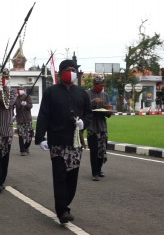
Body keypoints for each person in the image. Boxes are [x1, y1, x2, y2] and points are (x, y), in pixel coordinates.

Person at [35, 59, 92, 224]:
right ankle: (62, 211)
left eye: (73, 69)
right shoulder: (51, 92)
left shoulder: (82, 93)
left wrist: (84, 123)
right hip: (57, 142)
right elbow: (44, 115)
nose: (71, 72)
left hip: (75, 142)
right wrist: (40, 137)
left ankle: (65, 204)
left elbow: (89, 114)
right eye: (68, 69)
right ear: (60, 73)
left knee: (72, 177)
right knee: (59, 175)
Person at [86, 75, 112, 181]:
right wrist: (93, 102)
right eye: (100, 85)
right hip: (92, 126)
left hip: (102, 126)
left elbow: (107, 111)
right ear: (95, 84)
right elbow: (84, 107)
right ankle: (94, 172)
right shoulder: (88, 94)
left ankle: (99, 169)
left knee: (102, 149)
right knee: (94, 150)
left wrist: (109, 112)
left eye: (103, 85)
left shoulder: (105, 95)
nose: (101, 87)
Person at [14, 86, 33, 156]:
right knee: (21, 136)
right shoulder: (16, 98)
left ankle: (26, 147)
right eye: (18, 89)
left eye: (21, 89)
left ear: (24, 90)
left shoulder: (27, 97)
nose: (19, 91)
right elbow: (12, 106)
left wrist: (26, 105)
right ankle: (22, 150)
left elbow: (30, 106)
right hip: (20, 120)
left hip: (28, 119)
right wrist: (12, 115)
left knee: (30, 135)